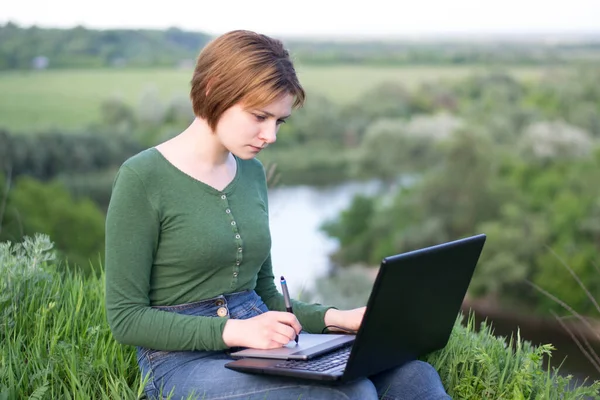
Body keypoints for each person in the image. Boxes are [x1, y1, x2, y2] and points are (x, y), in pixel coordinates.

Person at [104, 30, 451, 400]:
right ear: (212, 90)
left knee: (414, 377)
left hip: (262, 345)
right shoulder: (142, 178)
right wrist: (236, 332)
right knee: (351, 393)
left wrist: (340, 318)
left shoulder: (251, 172)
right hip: (179, 363)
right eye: (259, 116)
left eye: (279, 121)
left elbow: (266, 294)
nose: (270, 135)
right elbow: (126, 319)